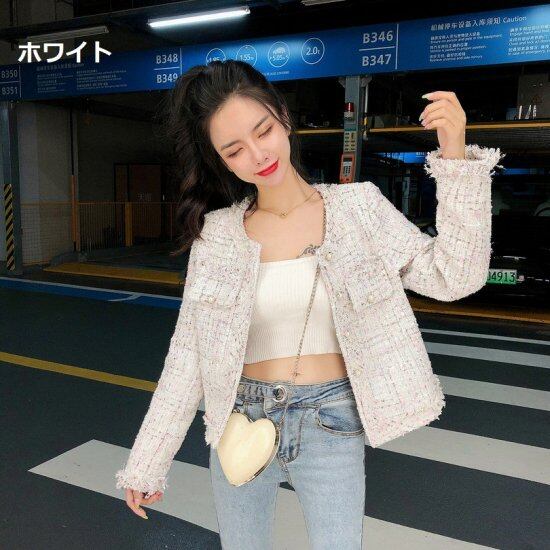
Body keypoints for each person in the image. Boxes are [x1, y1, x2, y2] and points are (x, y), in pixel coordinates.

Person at [115, 60, 502, 549]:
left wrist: (456, 158)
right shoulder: (217, 237)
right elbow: (187, 356)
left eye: (263, 131)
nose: (257, 154)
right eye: (234, 149)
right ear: (222, 161)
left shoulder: (359, 209)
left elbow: (455, 276)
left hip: (331, 421)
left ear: (283, 117)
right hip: (241, 419)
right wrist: (147, 462)